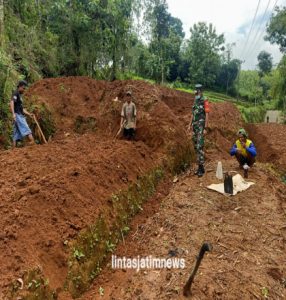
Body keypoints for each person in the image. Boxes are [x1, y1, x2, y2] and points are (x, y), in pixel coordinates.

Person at [187, 84, 210, 177]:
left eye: (197, 90)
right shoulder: (195, 100)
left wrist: (206, 128)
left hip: (201, 127)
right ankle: (200, 167)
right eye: (195, 90)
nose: (196, 92)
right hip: (195, 127)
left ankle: (201, 168)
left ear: (200, 91)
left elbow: (207, 114)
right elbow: (193, 114)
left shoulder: (205, 100)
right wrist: (189, 125)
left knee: (200, 147)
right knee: (196, 146)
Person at [10, 80, 35, 148]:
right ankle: (32, 142)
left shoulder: (20, 96)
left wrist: (29, 114)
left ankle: (13, 149)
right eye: (23, 88)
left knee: (16, 133)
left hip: (18, 115)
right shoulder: (16, 93)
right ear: (20, 86)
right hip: (18, 115)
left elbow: (22, 109)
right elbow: (12, 102)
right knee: (26, 128)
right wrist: (13, 114)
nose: (24, 90)